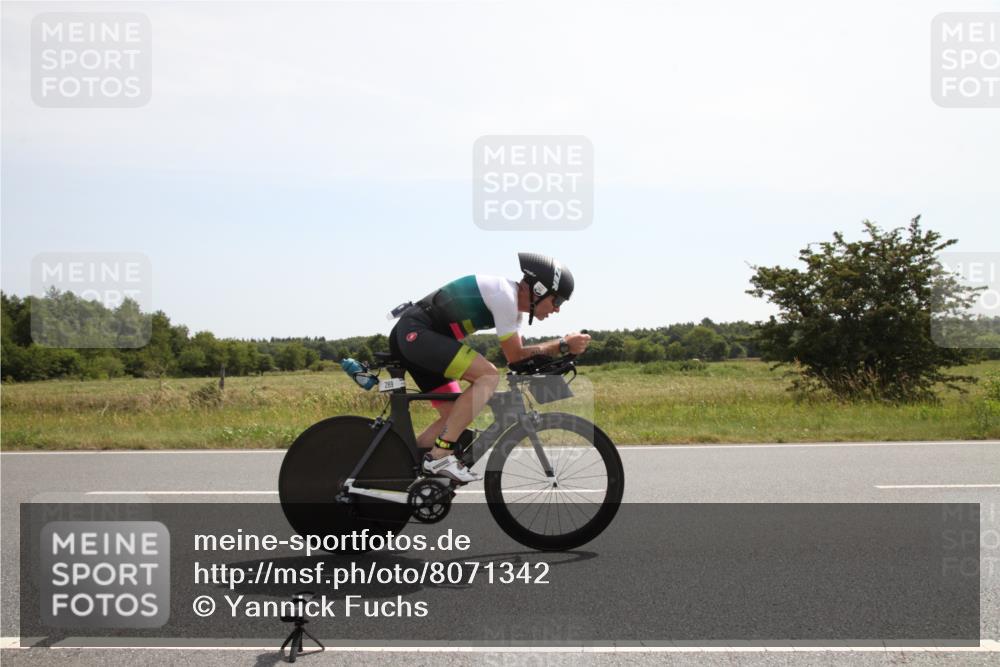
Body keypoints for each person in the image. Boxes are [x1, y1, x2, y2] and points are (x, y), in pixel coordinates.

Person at [387, 253, 590, 484]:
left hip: (417, 336)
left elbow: (519, 361)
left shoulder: (512, 310)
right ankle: (439, 456)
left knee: (456, 417)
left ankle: (405, 469)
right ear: (539, 289)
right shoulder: (505, 296)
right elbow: (515, 355)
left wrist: (560, 355)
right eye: (557, 301)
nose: (557, 309)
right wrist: (562, 344)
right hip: (417, 333)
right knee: (488, 376)